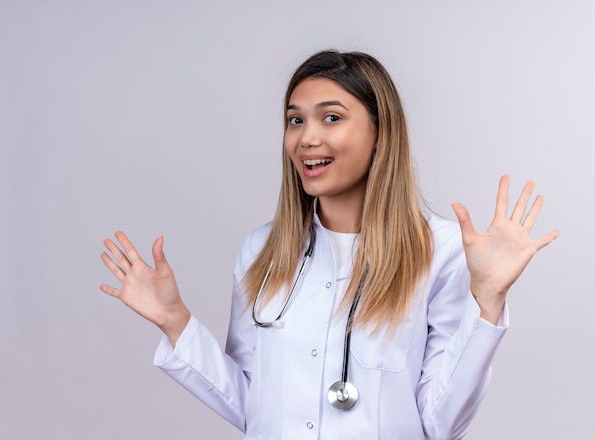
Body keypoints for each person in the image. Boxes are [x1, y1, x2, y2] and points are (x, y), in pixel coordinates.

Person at [100, 50, 559, 439]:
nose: (307, 138)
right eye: (295, 120)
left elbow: (439, 425)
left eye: (331, 117)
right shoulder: (263, 251)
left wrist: (488, 302)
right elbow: (251, 407)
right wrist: (175, 321)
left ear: (381, 132)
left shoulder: (439, 251)